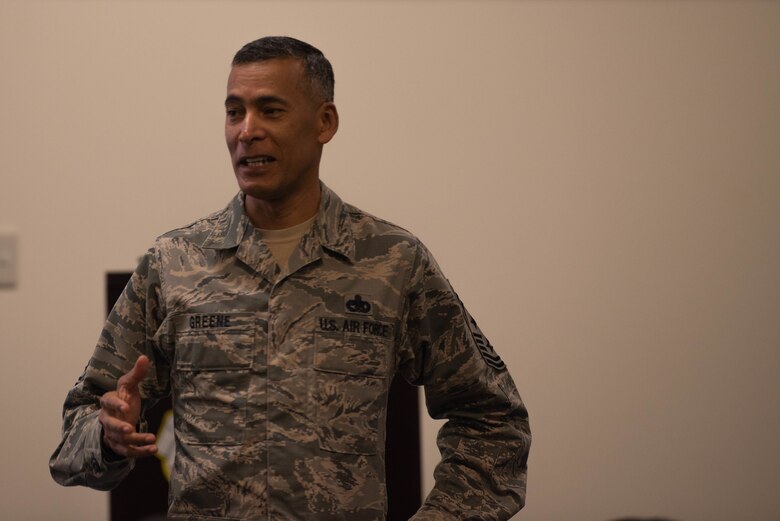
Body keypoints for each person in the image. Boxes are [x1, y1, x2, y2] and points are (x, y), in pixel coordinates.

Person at [50, 36, 531, 521]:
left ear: (325, 122)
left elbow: (493, 420)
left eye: (271, 111)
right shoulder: (174, 262)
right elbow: (75, 435)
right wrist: (107, 437)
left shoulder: (393, 261)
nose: (247, 131)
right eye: (234, 112)